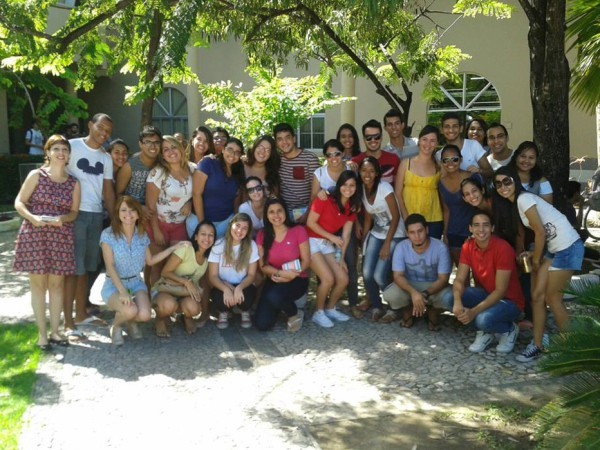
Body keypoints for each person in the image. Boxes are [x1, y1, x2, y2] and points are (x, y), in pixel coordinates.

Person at [493, 167, 584, 362]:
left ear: (515, 181)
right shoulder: (515, 203)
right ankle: (538, 344)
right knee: (536, 297)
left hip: (568, 247)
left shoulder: (523, 199)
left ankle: (576, 350)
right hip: (554, 248)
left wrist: (535, 260)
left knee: (553, 298)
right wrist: (535, 253)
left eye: (507, 181)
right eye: (498, 184)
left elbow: (541, 232)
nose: (503, 187)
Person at [13, 135, 80, 350]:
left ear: (69, 155)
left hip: (60, 236)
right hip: (35, 234)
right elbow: (20, 202)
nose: (61, 153)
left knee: (57, 284)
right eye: (56, 149)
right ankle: (42, 335)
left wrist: (62, 219)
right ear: (48, 152)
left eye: (65, 149)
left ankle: (56, 332)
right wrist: (33, 218)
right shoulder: (36, 175)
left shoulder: (73, 182)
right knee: (39, 285)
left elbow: (73, 213)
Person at [100, 196, 188, 345]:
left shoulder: (141, 235)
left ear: (138, 213)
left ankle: (129, 319)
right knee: (130, 311)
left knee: (145, 315)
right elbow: (109, 266)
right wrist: (121, 291)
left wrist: (173, 248)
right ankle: (116, 325)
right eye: (123, 210)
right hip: (114, 285)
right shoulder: (108, 235)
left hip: (135, 283)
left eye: (132, 210)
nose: (128, 214)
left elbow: (150, 261)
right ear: (117, 213)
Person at [442, 210, 525, 354]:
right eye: (476, 225)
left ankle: (509, 330)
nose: (481, 230)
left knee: (482, 319)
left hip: (509, 301)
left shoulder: (503, 248)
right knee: (448, 298)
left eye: (486, 225)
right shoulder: (468, 246)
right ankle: (486, 332)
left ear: (492, 228)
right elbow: (460, 279)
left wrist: (473, 312)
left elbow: (500, 291)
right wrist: (457, 301)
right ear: (470, 228)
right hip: (486, 294)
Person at [64, 113, 115, 338]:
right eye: (100, 128)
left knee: (87, 266)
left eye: (108, 131)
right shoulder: (71, 146)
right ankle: (67, 322)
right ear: (90, 125)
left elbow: (107, 191)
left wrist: (114, 220)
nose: (103, 133)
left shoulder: (106, 158)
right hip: (74, 214)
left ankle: (80, 314)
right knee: (73, 269)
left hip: (95, 214)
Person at [306, 171, 360, 328]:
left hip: (327, 244)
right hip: (311, 241)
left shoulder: (352, 207)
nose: (348, 188)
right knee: (328, 279)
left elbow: (346, 235)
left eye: (352, 185)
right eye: (344, 185)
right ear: (339, 185)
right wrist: (331, 237)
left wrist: (341, 259)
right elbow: (310, 223)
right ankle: (318, 312)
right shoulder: (324, 199)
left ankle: (330, 308)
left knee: (343, 279)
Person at [312, 139, 360, 310]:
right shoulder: (320, 173)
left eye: (337, 154)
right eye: (329, 155)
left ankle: (353, 303)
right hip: (324, 227)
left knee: (349, 263)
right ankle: (323, 305)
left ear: (343, 153)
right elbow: (313, 202)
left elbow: (356, 194)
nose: (334, 158)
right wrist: (319, 194)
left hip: (345, 221)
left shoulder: (350, 169)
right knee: (325, 271)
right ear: (325, 157)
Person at [382, 214, 452, 330]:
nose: (417, 236)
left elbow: (443, 279)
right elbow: (398, 276)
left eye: (420, 231)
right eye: (412, 232)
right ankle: (408, 310)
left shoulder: (440, 247)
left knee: (450, 297)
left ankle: (432, 310)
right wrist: (414, 293)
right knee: (390, 294)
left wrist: (424, 294)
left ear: (427, 230)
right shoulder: (401, 247)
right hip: (409, 285)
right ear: (407, 233)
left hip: (433, 286)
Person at [356, 157, 405, 322]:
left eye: (371, 170)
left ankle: (395, 307)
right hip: (377, 233)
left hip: (395, 234)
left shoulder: (385, 188)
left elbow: (396, 216)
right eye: (364, 170)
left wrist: (386, 244)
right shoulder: (362, 189)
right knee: (367, 273)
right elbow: (369, 217)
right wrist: (365, 239)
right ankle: (377, 306)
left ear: (377, 173)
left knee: (379, 275)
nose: (367, 174)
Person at [146, 135, 195, 288]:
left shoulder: (193, 169)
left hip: (180, 226)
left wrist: (190, 203)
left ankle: (170, 301)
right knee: (157, 266)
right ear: (162, 154)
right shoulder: (158, 173)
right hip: (159, 224)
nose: (171, 152)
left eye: (173, 147)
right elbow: (150, 205)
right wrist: (156, 230)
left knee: (175, 267)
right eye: (166, 149)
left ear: (180, 148)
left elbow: (199, 193)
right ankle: (153, 302)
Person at [254, 198, 310, 332]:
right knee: (262, 324)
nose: (276, 215)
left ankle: (294, 313)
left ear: (285, 212)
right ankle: (280, 305)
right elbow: (263, 266)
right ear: (267, 216)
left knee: (274, 296)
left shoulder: (298, 230)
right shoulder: (262, 235)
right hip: (275, 278)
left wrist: (291, 276)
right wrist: (280, 274)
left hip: (298, 278)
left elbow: (306, 261)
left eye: (279, 211)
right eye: (271, 212)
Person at [153, 221, 216, 338]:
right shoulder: (186, 249)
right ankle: (160, 319)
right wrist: (186, 282)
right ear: (196, 237)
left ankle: (185, 317)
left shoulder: (208, 258)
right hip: (167, 289)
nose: (207, 238)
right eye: (203, 234)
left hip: (184, 293)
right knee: (168, 304)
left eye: (211, 235)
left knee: (195, 308)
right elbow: (165, 272)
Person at [208, 213, 259, 330]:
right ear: (231, 225)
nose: (240, 230)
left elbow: (251, 275)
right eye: (238, 225)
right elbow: (213, 276)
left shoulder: (251, 245)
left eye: (244, 228)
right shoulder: (219, 244)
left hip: (242, 284)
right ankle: (223, 312)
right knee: (219, 297)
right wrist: (226, 289)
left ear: (248, 231)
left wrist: (239, 288)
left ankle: (245, 310)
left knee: (247, 296)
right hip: (223, 284)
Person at [188, 137, 245, 238]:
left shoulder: (238, 171)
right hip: (199, 221)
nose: (233, 154)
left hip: (225, 223)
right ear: (223, 149)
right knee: (197, 252)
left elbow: (236, 198)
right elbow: (196, 194)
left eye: (237, 152)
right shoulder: (208, 163)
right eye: (230, 149)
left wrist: (235, 220)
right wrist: (202, 224)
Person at [394, 125, 443, 239]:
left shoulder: (439, 167)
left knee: (432, 255)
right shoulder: (406, 163)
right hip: (410, 219)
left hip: (433, 219)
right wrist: (406, 217)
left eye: (432, 141)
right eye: (425, 139)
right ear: (419, 141)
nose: (428, 144)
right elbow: (398, 193)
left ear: (436, 144)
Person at [438, 145, 482, 266]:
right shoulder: (440, 182)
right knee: (462, 270)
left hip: (474, 231)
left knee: (480, 270)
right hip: (454, 232)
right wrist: (445, 234)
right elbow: (446, 210)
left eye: (454, 159)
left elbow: (483, 205)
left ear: (461, 160)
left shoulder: (473, 177)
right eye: (445, 160)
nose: (450, 163)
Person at [275, 123, 320, 223]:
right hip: (283, 213)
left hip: (306, 212)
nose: (284, 142)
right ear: (276, 143)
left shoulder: (310, 159)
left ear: (294, 139)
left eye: (287, 137)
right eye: (280, 139)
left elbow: (315, 192)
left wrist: (307, 215)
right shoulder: (277, 160)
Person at [116, 126, 162, 209]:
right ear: (140, 144)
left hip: (157, 211)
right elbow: (118, 194)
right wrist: (139, 208)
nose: (153, 146)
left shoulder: (163, 163)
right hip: (132, 212)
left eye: (156, 142)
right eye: (148, 142)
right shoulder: (130, 165)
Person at [440, 112, 493, 178]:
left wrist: (479, 171)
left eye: (455, 126)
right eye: (447, 127)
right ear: (441, 130)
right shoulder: (439, 154)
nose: (451, 130)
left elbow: (490, 172)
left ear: (461, 128)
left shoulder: (473, 145)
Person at [351, 119, 400, 185]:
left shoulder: (394, 159)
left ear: (381, 137)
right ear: (364, 139)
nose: (373, 140)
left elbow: (398, 188)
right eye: (368, 137)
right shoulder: (355, 162)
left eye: (377, 136)